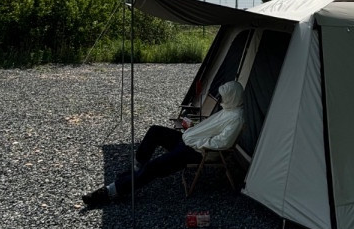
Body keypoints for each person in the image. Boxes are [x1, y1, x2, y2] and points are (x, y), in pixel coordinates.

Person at [82, 80, 245, 208]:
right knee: (155, 131)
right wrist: (194, 131)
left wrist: (197, 140)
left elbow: (223, 142)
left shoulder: (236, 118)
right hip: (188, 140)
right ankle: (137, 167)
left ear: (232, 97)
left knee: (154, 167)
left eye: (225, 96)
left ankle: (111, 191)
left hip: (198, 151)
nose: (222, 99)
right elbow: (210, 128)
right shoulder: (229, 109)